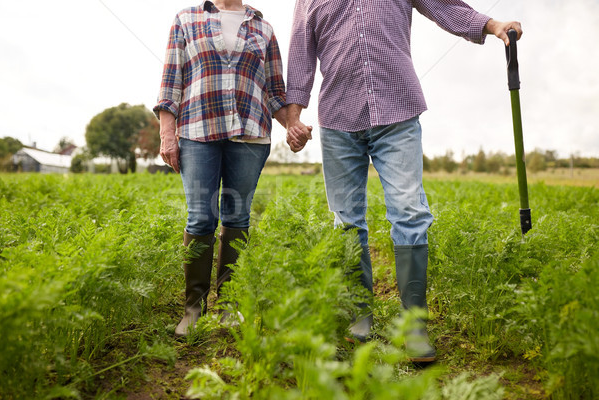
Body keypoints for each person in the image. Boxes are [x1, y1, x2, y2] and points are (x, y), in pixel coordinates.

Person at [285, 0, 522, 362]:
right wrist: (293, 118)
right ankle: (358, 319)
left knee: (409, 212)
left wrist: (493, 25)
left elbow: (446, 7)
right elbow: (301, 54)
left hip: (397, 112)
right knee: (346, 222)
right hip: (338, 118)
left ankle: (414, 325)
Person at [154, 0, 311, 337]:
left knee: (237, 217)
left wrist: (292, 125)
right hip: (198, 132)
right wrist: (168, 135)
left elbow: (274, 92)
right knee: (200, 217)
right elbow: (171, 84)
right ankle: (193, 308)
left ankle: (229, 306)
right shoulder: (186, 19)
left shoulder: (263, 29)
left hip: (250, 134)